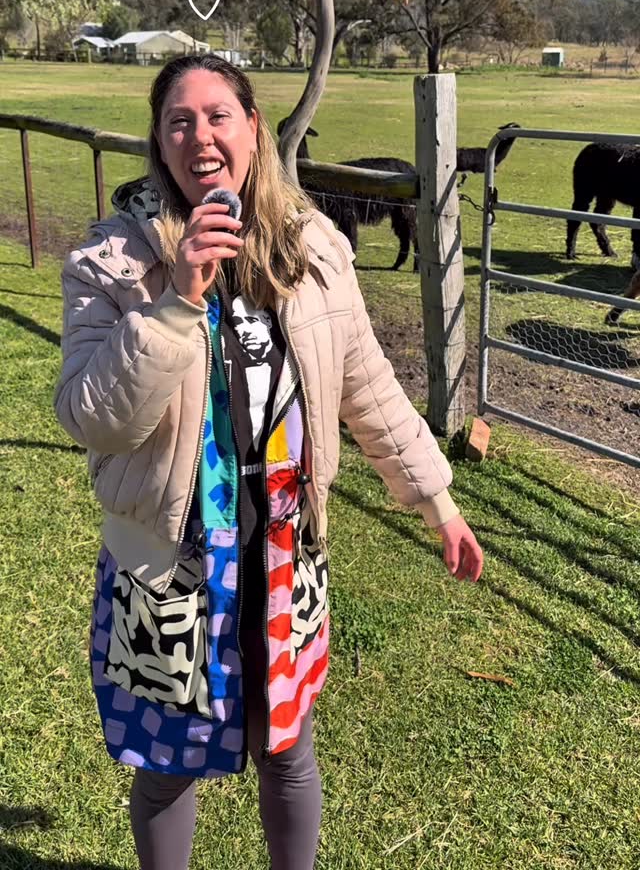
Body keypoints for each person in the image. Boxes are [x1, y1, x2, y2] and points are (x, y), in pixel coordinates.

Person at [54, 54, 483, 870]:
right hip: (170, 560)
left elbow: (367, 386)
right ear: (159, 142)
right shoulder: (112, 261)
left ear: (253, 128)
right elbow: (92, 418)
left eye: (219, 115)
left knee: (288, 749)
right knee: (168, 765)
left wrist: (440, 503)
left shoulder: (313, 248)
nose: (201, 136)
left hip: (286, 548)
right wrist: (178, 298)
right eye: (179, 121)